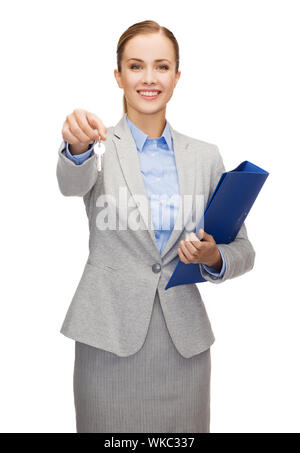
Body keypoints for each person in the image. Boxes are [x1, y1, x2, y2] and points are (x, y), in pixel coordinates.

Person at [56, 20, 255, 433]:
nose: (149, 78)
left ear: (176, 77)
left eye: (161, 67)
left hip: (183, 347)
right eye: (136, 66)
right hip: (108, 338)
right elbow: (71, 184)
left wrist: (213, 256)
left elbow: (242, 250)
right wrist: (76, 149)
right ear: (119, 76)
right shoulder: (97, 143)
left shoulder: (205, 157)